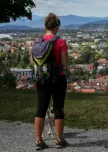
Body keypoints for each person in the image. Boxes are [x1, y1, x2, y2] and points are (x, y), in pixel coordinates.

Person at [33, 13, 69, 150]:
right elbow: (65, 64)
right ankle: (59, 140)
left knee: (41, 108)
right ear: (57, 27)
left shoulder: (37, 41)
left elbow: (33, 61)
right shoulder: (60, 42)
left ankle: (39, 140)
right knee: (58, 108)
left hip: (41, 78)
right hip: (58, 78)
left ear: (45, 26)